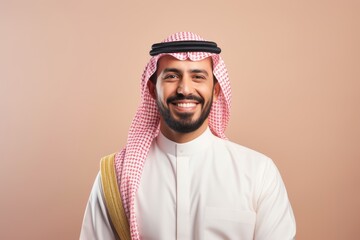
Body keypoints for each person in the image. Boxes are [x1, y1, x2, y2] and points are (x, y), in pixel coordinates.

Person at [80, 32, 296, 240]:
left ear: (216, 90)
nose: (184, 88)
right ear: (152, 88)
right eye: (172, 76)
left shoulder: (258, 173)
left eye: (198, 76)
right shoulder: (116, 176)